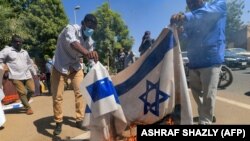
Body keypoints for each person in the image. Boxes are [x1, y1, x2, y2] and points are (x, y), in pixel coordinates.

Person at [170, 0, 226, 125]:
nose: (191, 4)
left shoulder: (218, 5)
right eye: (189, 2)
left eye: (194, 0)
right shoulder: (191, 18)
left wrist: (185, 16)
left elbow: (206, 14)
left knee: (208, 95)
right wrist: (180, 33)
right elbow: (187, 37)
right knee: (196, 93)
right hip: (194, 60)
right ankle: (205, 115)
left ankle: (205, 122)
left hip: (211, 59)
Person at [51, 13, 98, 135]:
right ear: (83, 24)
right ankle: (58, 122)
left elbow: (91, 59)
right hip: (60, 66)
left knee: (81, 92)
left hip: (76, 67)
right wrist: (88, 53)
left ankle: (79, 119)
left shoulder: (90, 41)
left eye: (93, 28)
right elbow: (73, 43)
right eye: (89, 26)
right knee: (57, 96)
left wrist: (97, 66)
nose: (91, 30)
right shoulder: (70, 28)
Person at [0, 35, 37, 115]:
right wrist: (3, 66)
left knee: (32, 90)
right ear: (12, 42)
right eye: (16, 41)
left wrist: (34, 72)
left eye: (20, 41)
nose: (18, 43)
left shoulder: (25, 52)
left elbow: (29, 63)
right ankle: (28, 108)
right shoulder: (7, 50)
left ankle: (24, 102)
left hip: (27, 75)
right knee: (22, 92)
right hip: (15, 75)